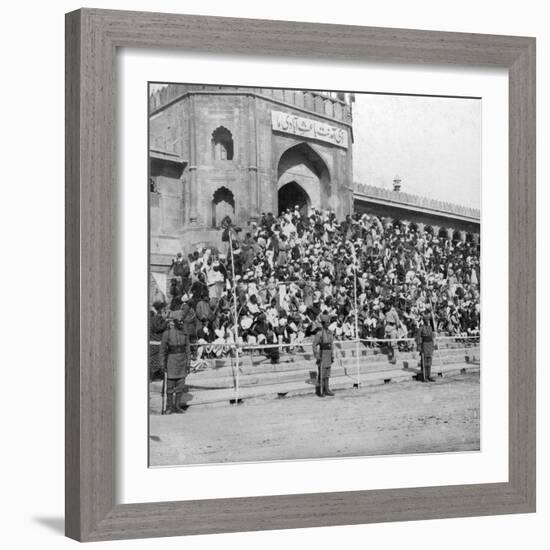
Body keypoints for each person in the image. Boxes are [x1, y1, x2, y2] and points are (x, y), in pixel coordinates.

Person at [159, 318, 191, 414]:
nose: (181, 323)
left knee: (180, 385)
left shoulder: (185, 334)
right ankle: (169, 407)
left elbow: (187, 349)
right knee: (170, 385)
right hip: (171, 361)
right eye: (179, 322)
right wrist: (162, 364)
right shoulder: (167, 334)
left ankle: (177, 406)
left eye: (182, 322)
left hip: (182, 362)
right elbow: (162, 350)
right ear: (175, 323)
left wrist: (188, 363)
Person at [312, 314, 335, 397]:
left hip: (328, 354)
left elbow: (331, 344)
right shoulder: (319, 333)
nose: (328, 324)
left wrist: (332, 355)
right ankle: (321, 391)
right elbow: (314, 345)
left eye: (329, 322)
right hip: (322, 353)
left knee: (328, 373)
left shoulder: (330, 332)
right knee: (322, 373)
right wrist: (317, 355)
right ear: (323, 323)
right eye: (326, 322)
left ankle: (327, 389)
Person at [415, 312, 435, 382]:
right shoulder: (420, 328)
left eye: (428, 320)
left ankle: (429, 375)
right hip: (424, 345)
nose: (427, 321)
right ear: (424, 321)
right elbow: (418, 338)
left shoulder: (430, 328)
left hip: (430, 345)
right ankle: (425, 376)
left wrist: (433, 345)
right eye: (426, 320)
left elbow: (432, 337)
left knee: (429, 361)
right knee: (424, 361)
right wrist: (419, 346)